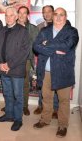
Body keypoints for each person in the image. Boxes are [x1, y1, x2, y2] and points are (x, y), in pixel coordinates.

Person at [33, 8, 79, 138]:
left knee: (63, 100)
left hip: (63, 71)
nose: (58, 17)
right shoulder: (44, 30)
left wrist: (47, 44)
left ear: (65, 17)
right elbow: (35, 46)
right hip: (46, 71)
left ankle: (63, 125)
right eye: (56, 15)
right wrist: (54, 49)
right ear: (52, 17)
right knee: (46, 97)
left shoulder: (72, 31)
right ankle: (45, 120)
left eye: (61, 15)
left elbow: (67, 45)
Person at [0, 7, 29, 131]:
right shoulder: (2, 31)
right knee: (7, 93)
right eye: (6, 16)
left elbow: (24, 52)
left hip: (16, 70)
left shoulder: (23, 31)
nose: (8, 18)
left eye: (11, 15)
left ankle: (18, 119)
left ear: (16, 17)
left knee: (18, 95)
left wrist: (9, 65)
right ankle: (9, 115)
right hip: (3, 69)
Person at [34, 5, 59, 118]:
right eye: (44, 12)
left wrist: (47, 45)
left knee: (55, 84)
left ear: (53, 13)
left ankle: (55, 108)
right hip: (42, 60)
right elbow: (36, 45)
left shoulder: (59, 26)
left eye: (49, 11)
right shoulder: (39, 27)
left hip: (56, 60)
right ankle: (41, 105)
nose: (47, 14)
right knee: (41, 83)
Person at [17, 6, 39, 116]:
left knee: (25, 84)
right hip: (13, 61)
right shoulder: (11, 26)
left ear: (27, 15)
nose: (21, 15)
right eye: (20, 13)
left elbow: (36, 46)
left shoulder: (33, 29)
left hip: (26, 60)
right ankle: (11, 105)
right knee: (13, 84)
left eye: (24, 13)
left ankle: (24, 106)